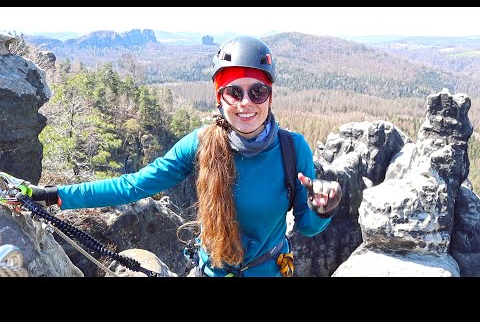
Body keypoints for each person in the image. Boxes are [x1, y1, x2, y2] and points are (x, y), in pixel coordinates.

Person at [25, 35, 342, 277]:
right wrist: (51, 195)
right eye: (234, 92)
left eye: (257, 91)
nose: (246, 102)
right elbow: (133, 186)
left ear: (269, 97)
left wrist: (321, 209)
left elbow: (308, 226)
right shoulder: (201, 144)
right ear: (219, 99)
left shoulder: (292, 148)